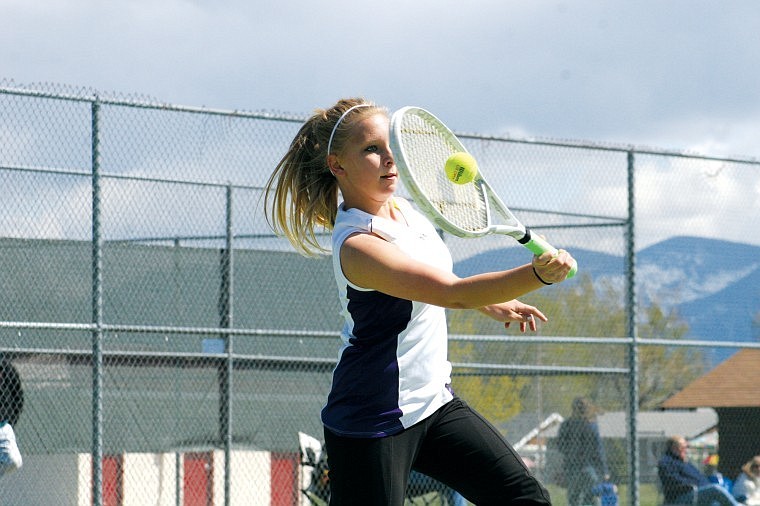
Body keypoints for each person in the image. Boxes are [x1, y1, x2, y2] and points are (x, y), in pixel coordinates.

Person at [264, 98, 575, 505]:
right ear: (337, 165)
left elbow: (435, 284)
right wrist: (535, 274)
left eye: (390, 145)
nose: (389, 159)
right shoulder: (358, 245)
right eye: (371, 149)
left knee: (526, 498)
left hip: (434, 405)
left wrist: (491, 302)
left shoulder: (406, 212)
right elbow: (449, 294)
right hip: (371, 420)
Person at [657, 436, 740, 505]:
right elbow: (672, 480)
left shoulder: (685, 462)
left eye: (686, 447)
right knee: (715, 489)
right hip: (681, 497)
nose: (686, 450)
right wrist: (694, 485)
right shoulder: (666, 462)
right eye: (683, 447)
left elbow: (700, 478)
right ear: (674, 448)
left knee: (716, 503)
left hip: (697, 493)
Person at [556, 397, 609, 506]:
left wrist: (570, 452)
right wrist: (604, 470)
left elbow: (560, 446)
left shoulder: (566, 425)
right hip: (589, 467)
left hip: (571, 468)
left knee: (574, 498)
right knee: (591, 497)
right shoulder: (591, 425)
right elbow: (598, 450)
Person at [0, 355, 23, 477]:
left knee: (15, 461)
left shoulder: (7, 369)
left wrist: (10, 422)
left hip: (3, 426)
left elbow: (18, 397)